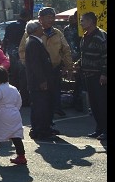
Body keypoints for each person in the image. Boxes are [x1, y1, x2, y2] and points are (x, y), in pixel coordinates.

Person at [21, 7, 75, 128]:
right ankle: (40, 127)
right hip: (38, 72)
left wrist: (69, 66)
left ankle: (48, 123)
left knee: (52, 97)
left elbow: (66, 50)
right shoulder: (31, 33)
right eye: (48, 17)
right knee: (40, 101)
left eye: (52, 17)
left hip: (54, 70)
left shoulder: (57, 32)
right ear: (40, 19)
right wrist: (29, 67)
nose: (51, 20)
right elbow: (22, 51)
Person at [23, 20, 56, 140]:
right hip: (38, 83)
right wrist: (42, 80)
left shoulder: (35, 42)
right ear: (35, 30)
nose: (42, 28)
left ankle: (43, 128)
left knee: (42, 106)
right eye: (40, 27)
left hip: (39, 81)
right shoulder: (33, 43)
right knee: (40, 107)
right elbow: (35, 64)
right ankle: (41, 131)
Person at [78, 11, 107, 140]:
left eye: (83, 20)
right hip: (88, 74)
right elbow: (83, 55)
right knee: (94, 105)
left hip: (99, 76)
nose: (81, 22)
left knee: (102, 104)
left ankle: (105, 130)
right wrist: (78, 64)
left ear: (90, 22)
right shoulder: (85, 36)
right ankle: (99, 128)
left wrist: (104, 74)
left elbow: (106, 56)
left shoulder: (100, 36)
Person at [4, 9, 30, 103]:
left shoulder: (11, 25)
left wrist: (4, 51)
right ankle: (24, 98)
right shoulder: (26, 27)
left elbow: (5, 40)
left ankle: (13, 97)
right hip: (22, 52)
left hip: (11, 52)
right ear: (27, 17)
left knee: (14, 75)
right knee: (23, 76)